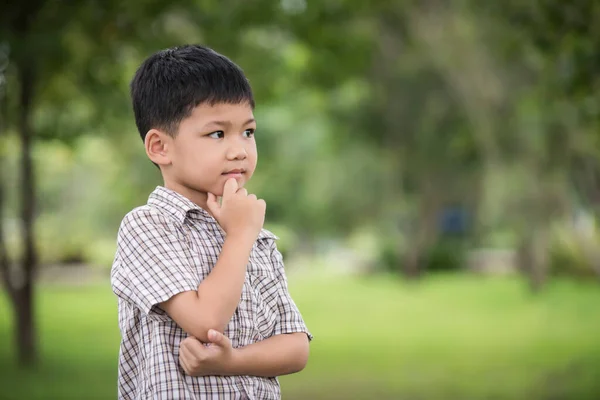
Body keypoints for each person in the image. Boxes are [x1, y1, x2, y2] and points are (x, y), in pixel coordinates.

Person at [110, 44, 312, 400]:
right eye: (217, 134)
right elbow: (205, 321)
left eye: (248, 132)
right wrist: (239, 237)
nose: (239, 150)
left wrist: (232, 361)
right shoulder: (148, 226)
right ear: (160, 147)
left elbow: (296, 347)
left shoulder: (256, 237)